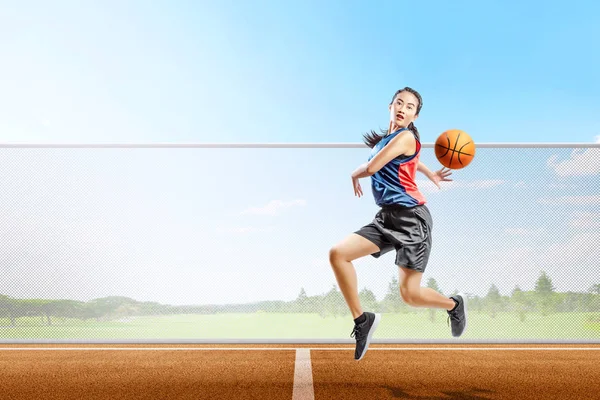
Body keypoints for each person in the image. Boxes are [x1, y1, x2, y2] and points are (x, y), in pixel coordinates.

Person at [328, 87, 468, 361]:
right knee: (338, 254)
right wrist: (429, 172)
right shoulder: (387, 141)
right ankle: (362, 320)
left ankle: (454, 304)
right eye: (399, 103)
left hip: (411, 219)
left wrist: (353, 174)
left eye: (410, 107)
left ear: (415, 116)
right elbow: (408, 160)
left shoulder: (405, 136)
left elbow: (371, 168)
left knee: (410, 295)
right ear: (390, 105)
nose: (403, 108)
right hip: (386, 217)